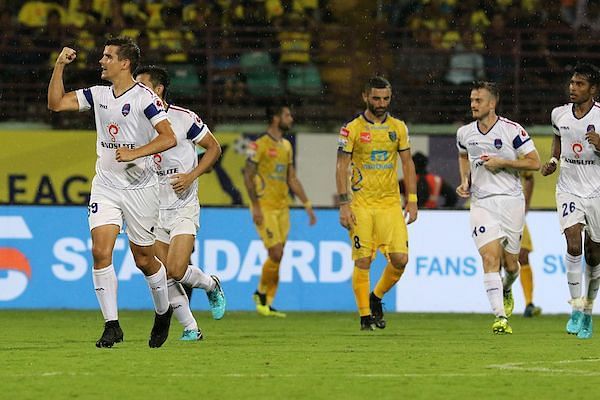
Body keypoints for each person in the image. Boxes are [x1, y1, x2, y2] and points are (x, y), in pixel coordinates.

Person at [47, 38, 178, 348]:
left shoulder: (146, 98)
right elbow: (56, 104)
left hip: (140, 188)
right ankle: (112, 325)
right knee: (100, 251)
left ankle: (163, 311)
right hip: (106, 186)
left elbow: (169, 138)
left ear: (124, 63)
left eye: (107, 57)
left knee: (144, 260)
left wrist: (137, 153)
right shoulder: (99, 94)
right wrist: (59, 66)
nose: (101, 61)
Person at [134, 65, 226, 341]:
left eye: (142, 86)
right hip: (152, 208)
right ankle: (191, 328)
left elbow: (214, 148)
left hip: (183, 206)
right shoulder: (138, 123)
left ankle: (211, 284)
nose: (136, 91)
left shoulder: (183, 118)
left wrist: (191, 175)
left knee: (175, 268)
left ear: (158, 89)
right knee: (164, 275)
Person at [456, 81, 540, 335]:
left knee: (512, 265)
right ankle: (500, 317)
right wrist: (465, 181)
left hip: (511, 202)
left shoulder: (512, 130)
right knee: (489, 258)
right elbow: (463, 155)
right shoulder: (464, 133)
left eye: (478, 100)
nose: (473, 104)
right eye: (471, 100)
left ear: (492, 103)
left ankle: (507, 287)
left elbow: (535, 163)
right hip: (482, 203)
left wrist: (502, 162)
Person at [336, 76, 418, 331]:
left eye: (386, 99)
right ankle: (364, 316)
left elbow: (407, 163)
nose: (381, 103)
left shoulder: (398, 128)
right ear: (365, 97)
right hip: (361, 204)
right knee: (363, 260)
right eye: (376, 98)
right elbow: (341, 166)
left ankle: (376, 297)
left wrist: (412, 199)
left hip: (391, 204)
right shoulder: (352, 129)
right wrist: (343, 204)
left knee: (400, 259)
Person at [541, 63, 600, 340]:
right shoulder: (559, 114)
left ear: (593, 89)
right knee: (573, 242)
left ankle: (588, 313)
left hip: (597, 191)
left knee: (594, 254)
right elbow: (558, 138)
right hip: (568, 189)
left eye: (580, 84)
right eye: (572, 83)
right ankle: (576, 308)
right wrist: (554, 160)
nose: (573, 88)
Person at [243, 104, 317, 317]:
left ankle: (266, 300)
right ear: (275, 118)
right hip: (264, 207)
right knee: (276, 252)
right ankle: (260, 293)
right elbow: (248, 176)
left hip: (282, 208)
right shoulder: (257, 145)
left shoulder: (286, 146)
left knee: (278, 256)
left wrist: (307, 205)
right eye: (287, 115)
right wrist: (255, 205)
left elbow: (291, 178)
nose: (291, 118)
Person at [519, 171, 542, 318]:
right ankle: (499, 303)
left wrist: (525, 204)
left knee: (523, 255)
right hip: (491, 209)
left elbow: (528, 176)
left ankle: (529, 303)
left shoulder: (517, 149)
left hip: (514, 209)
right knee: (497, 259)